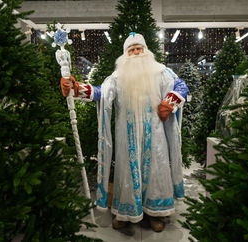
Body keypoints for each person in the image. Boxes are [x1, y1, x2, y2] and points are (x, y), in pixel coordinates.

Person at [60, 32, 188, 232]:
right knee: (126, 174)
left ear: (146, 51)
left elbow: (181, 85)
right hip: (125, 139)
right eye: (132, 50)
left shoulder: (160, 72)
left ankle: (156, 214)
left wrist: (169, 102)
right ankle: (125, 213)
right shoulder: (117, 77)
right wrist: (76, 88)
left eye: (139, 49)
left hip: (155, 137)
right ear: (125, 54)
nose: (136, 53)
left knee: (156, 172)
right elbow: (101, 93)